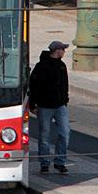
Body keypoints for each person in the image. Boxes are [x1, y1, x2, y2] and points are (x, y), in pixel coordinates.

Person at [29, 40, 70, 174]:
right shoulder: (41, 67)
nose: (64, 52)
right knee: (45, 136)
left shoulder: (62, 66)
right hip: (45, 106)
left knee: (65, 133)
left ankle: (60, 162)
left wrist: (65, 100)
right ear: (57, 50)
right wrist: (32, 105)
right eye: (63, 49)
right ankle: (44, 163)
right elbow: (33, 86)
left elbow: (65, 85)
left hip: (60, 106)